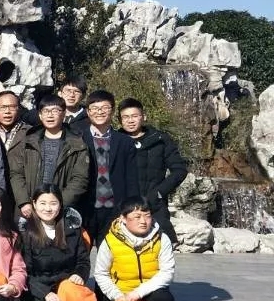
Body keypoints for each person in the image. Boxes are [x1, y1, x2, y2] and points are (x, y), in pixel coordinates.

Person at [94, 199, 175, 301]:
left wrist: (138, 293)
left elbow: (167, 273)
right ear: (123, 219)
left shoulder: (162, 239)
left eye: (147, 215)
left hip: (147, 292)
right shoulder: (110, 241)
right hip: (120, 292)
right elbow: (101, 273)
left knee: (164, 299)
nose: (143, 221)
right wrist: (117, 295)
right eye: (137, 216)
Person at [19, 185, 91, 301]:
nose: (48, 208)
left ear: (60, 205)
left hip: (65, 285)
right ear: (34, 204)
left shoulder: (72, 229)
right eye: (43, 203)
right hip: (38, 288)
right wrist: (45, 293)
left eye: (53, 203)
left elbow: (83, 261)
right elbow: (25, 271)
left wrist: (79, 274)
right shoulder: (27, 232)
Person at [10, 94, 90, 226]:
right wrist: (24, 202)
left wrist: (58, 204)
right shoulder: (27, 141)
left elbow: (80, 179)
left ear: (64, 114)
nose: (50, 115)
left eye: (55, 110)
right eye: (46, 111)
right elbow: (16, 173)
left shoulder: (77, 144)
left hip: (61, 210)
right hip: (29, 208)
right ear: (40, 115)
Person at [118, 98, 186, 244]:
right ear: (120, 120)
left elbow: (179, 170)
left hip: (155, 205)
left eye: (135, 116)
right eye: (126, 117)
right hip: (123, 205)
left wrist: (159, 192)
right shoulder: (115, 141)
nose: (130, 120)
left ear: (144, 117)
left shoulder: (160, 139)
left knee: (161, 247)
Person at [80, 90, 140, 243]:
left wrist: (130, 208)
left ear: (112, 111)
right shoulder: (78, 138)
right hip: (85, 207)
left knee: (111, 253)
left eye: (105, 108)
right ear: (88, 111)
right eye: (95, 108)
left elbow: (131, 179)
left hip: (114, 209)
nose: (100, 112)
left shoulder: (125, 142)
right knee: (80, 253)